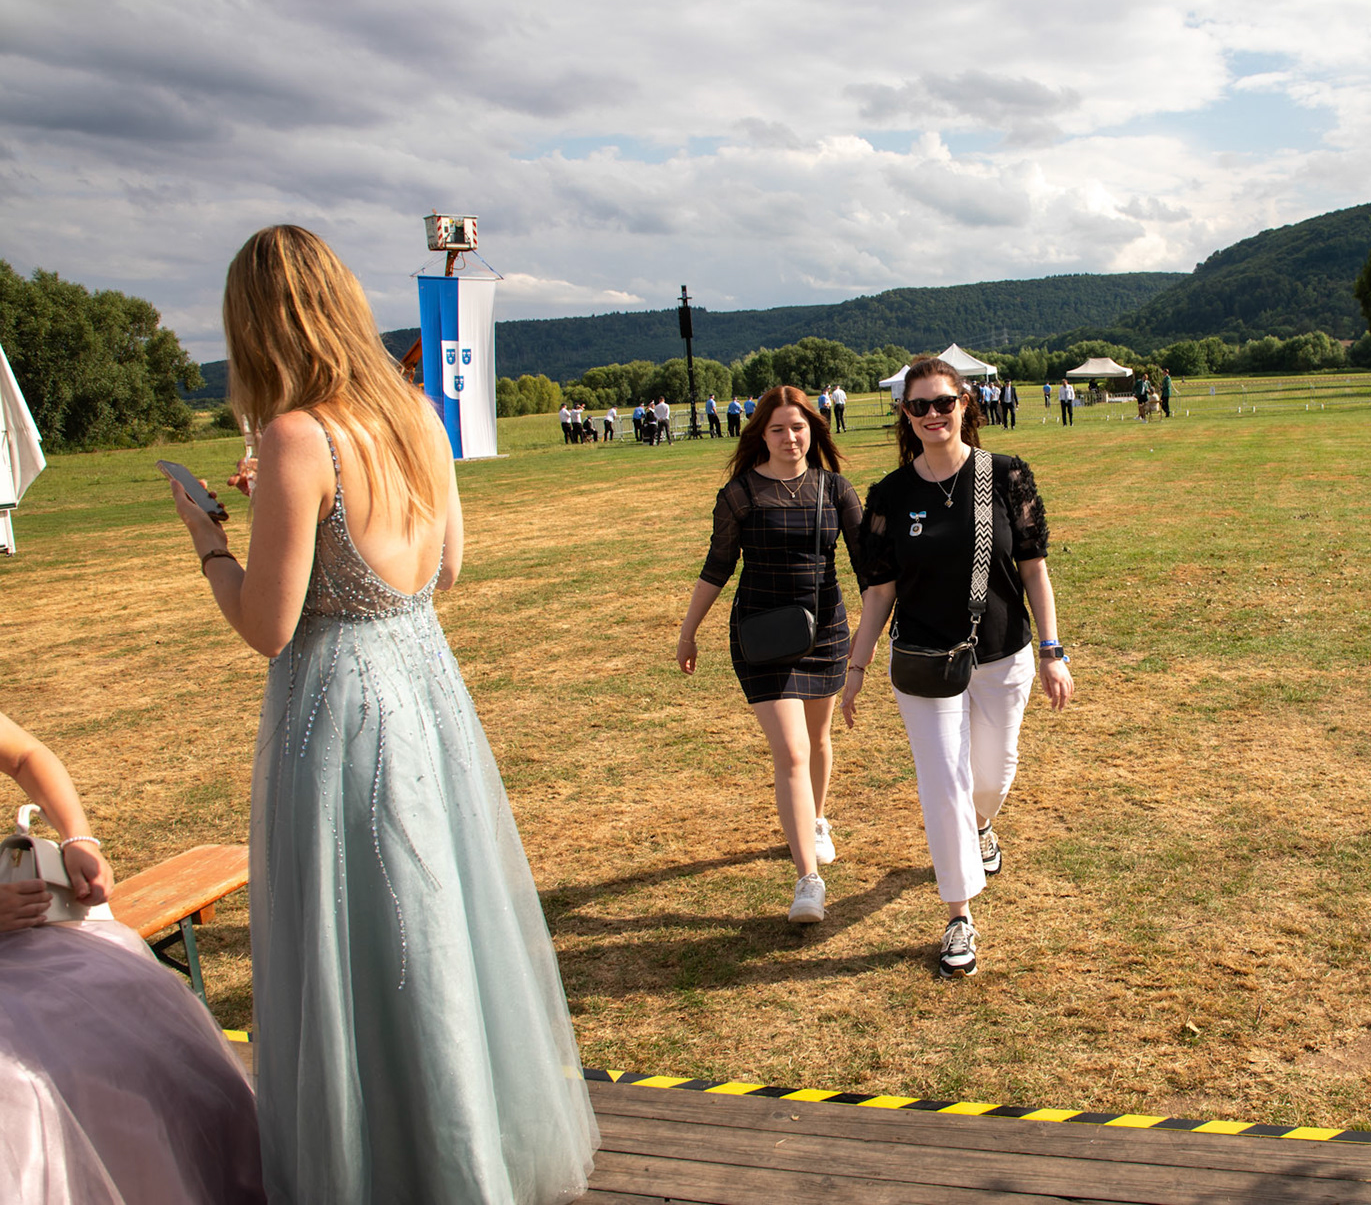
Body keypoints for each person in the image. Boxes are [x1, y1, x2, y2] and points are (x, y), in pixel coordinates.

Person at [165, 225, 597, 1204]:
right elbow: (448, 567)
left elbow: (268, 626)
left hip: (339, 710)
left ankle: (389, 1165)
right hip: (426, 684)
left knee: (363, 935)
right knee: (436, 920)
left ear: (258, 327)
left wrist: (209, 543)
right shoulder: (416, 417)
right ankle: (463, 1146)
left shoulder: (295, 437)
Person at [842, 357, 1072, 978]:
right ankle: (958, 915)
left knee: (989, 778)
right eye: (919, 406)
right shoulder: (890, 496)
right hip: (924, 662)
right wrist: (856, 667)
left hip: (1002, 654)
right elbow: (879, 592)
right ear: (905, 414)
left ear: (965, 403)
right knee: (944, 782)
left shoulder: (1006, 475)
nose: (933, 415)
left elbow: (1034, 571)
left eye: (943, 402)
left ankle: (981, 825)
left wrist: (1052, 650)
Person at [1, 710, 268, 1205]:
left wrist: (77, 838)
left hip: (18, 939)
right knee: (21, 1079)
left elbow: (25, 755)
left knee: (131, 1000)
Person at [677, 387, 863, 926]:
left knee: (819, 740)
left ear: (813, 430)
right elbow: (718, 565)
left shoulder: (835, 488)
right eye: (778, 428)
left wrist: (876, 630)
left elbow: (870, 564)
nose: (789, 438)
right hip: (761, 635)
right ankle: (808, 881)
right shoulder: (740, 493)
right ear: (761, 433)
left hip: (825, 631)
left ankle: (817, 819)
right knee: (792, 752)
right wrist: (688, 632)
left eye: (798, 427)